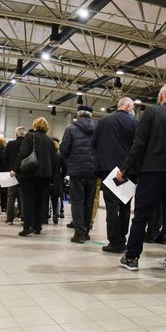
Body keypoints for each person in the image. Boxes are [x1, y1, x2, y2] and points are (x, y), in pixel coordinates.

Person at [118, 84, 166, 275]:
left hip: (151, 172)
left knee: (141, 215)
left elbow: (139, 143)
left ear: (161, 96)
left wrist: (125, 168)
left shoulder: (151, 113)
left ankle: (132, 258)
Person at [92, 97, 138, 253]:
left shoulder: (103, 122)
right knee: (124, 206)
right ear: (127, 107)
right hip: (127, 170)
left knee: (111, 206)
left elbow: (94, 143)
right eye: (132, 108)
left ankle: (114, 241)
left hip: (107, 169)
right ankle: (122, 238)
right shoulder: (134, 124)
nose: (133, 111)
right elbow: (137, 146)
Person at [61, 105, 97, 243]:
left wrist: (70, 162)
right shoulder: (97, 129)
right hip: (93, 172)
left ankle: (79, 234)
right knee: (89, 203)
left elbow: (64, 150)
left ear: (78, 115)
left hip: (76, 171)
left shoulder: (70, 129)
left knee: (77, 202)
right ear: (90, 115)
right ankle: (86, 231)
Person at [16, 117, 57, 236]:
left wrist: (15, 169)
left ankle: (27, 226)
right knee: (40, 201)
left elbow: (22, 154)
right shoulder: (50, 141)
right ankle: (38, 227)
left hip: (30, 173)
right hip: (45, 175)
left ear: (35, 125)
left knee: (28, 200)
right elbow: (53, 160)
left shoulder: (30, 136)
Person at [5, 127, 26, 225]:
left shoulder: (10, 144)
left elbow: (5, 158)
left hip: (12, 173)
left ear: (16, 134)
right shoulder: (27, 144)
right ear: (24, 135)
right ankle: (23, 218)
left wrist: (9, 169)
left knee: (11, 197)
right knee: (23, 196)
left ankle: (9, 219)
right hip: (24, 173)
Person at [49, 138, 67, 225]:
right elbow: (65, 169)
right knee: (55, 199)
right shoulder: (60, 156)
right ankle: (55, 216)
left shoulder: (47, 156)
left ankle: (45, 216)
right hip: (57, 180)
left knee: (45, 199)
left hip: (47, 178)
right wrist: (61, 177)